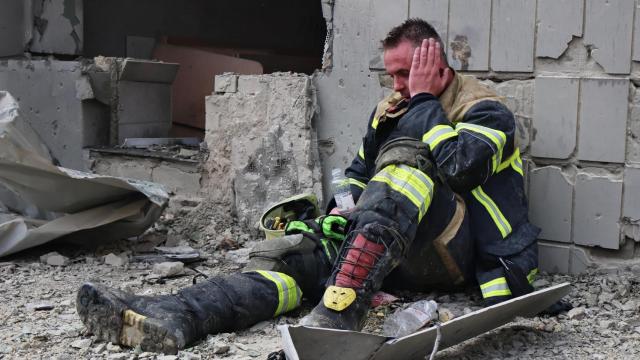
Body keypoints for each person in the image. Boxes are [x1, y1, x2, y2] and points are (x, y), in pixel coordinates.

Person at [75, 18, 539, 354]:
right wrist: (343, 211)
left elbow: (460, 169)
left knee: (406, 161)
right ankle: (181, 313)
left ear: (437, 65)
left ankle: (340, 309)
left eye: (407, 74)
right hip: (396, 249)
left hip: (462, 251)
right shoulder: (391, 109)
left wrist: (421, 101)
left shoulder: (485, 110)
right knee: (295, 258)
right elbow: (360, 175)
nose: (398, 86)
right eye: (392, 75)